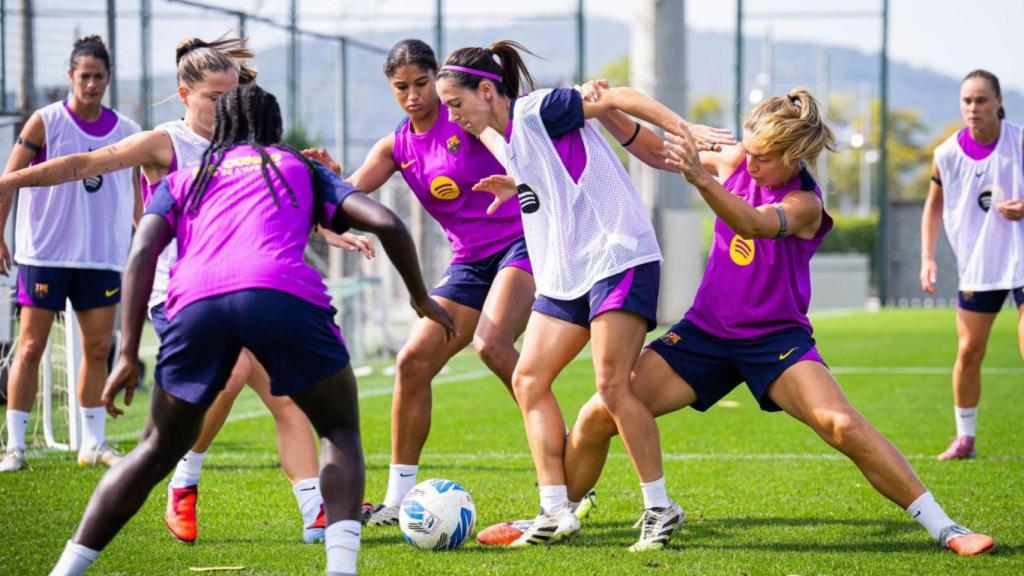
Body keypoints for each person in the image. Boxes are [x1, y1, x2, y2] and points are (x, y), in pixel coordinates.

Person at [498, 86, 993, 555]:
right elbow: (651, 150)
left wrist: (701, 179)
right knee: (596, 416)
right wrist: (606, 109)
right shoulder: (739, 161)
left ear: (794, 157)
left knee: (840, 425)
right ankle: (554, 513)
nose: (750, 163)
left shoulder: (805, 204)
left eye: (764, 158)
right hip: (704, 334)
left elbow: (752, 223)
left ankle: (945, 526)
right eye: (749, 152)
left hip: (775, 342)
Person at [42, 83, 455, 576]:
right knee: (339, 431)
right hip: (283, 295)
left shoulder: (186, 178)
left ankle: (65, 569)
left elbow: (142, 252)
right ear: (275, 128)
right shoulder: (299, 168)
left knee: (155, 449)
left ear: (224, 126)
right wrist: (419, 295)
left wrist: (128, 351)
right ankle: (340, 569)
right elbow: (386, 222)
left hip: (196, 302)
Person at [0, 36, 372, 544]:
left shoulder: (246, 147)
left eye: (230, 96)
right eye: (213, 98)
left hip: (239, 286)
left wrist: (332, 229)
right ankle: (184, 478)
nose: (225, 108)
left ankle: (314, 513)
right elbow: (84, 164)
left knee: (285, 398)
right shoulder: (165, 143)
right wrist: (12, 181)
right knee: (236, 367)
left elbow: (280, 204)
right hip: (179, 291)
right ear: (183, 94)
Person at [434, 40, 733, 550]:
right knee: (528, 378)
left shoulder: (537, 110)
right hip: (567, 269)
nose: (452, 115)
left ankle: (660, 508)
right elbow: (549, 170)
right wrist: (517, 183)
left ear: (486, 90)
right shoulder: (501, 135)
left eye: (455, 103)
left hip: (618, 254)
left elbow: (620, 97)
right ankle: (555, 511)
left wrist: (685, 130)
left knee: (613, 385)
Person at [306, 38, 536, 525]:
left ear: (437, 77)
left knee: (492, 344)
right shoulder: (395, 145)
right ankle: (395, 500)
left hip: (523, 245)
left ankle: (560, 463)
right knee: (412, 361)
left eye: (421, 83)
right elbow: (348, 198)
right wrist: (328, 182)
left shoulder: (468, 118)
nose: (413, 95)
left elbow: (525, 151)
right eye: (401, 87)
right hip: (470, 264)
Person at [0, 36, 140, 472]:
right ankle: (15, 447)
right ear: (70, 77)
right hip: (44, 253)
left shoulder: (129, 132)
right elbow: (8, 180)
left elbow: (138, 198)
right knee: (30, 347)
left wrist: (152, 243)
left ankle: (93, 443)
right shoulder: (45, 122)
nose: (92, 84)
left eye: (99, 76)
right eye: (85, 76)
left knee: (98, 347)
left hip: (101, 256)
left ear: (108, 78)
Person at [921, 69, 1024, 461]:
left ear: (998, 102)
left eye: (981, 100)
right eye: (967, 100)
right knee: (969, 351)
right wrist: (927, 257)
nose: (973, 108)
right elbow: (933, 206)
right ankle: (965, 438)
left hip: (1022, 258)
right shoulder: (946, 154)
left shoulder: (1019, 140)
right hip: (980, 264)